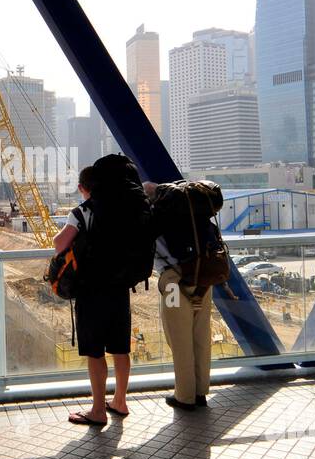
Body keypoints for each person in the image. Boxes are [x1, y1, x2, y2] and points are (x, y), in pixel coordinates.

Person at [53, 166, 131, 426]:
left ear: (82, 188)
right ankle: (120, 401)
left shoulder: (81, 212)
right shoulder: (123, 209)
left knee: (95, 352)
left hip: (92, 291)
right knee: (120, 348)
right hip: (120, 289)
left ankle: (98, 410)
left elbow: (59, 244)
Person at [145, 181, 212, 410]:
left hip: (174, 283)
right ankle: (201, 392)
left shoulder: (155, 218)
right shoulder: (192, 213)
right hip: (203, 278)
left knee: (179, 338)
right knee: (201, 336)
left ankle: (185, 396)